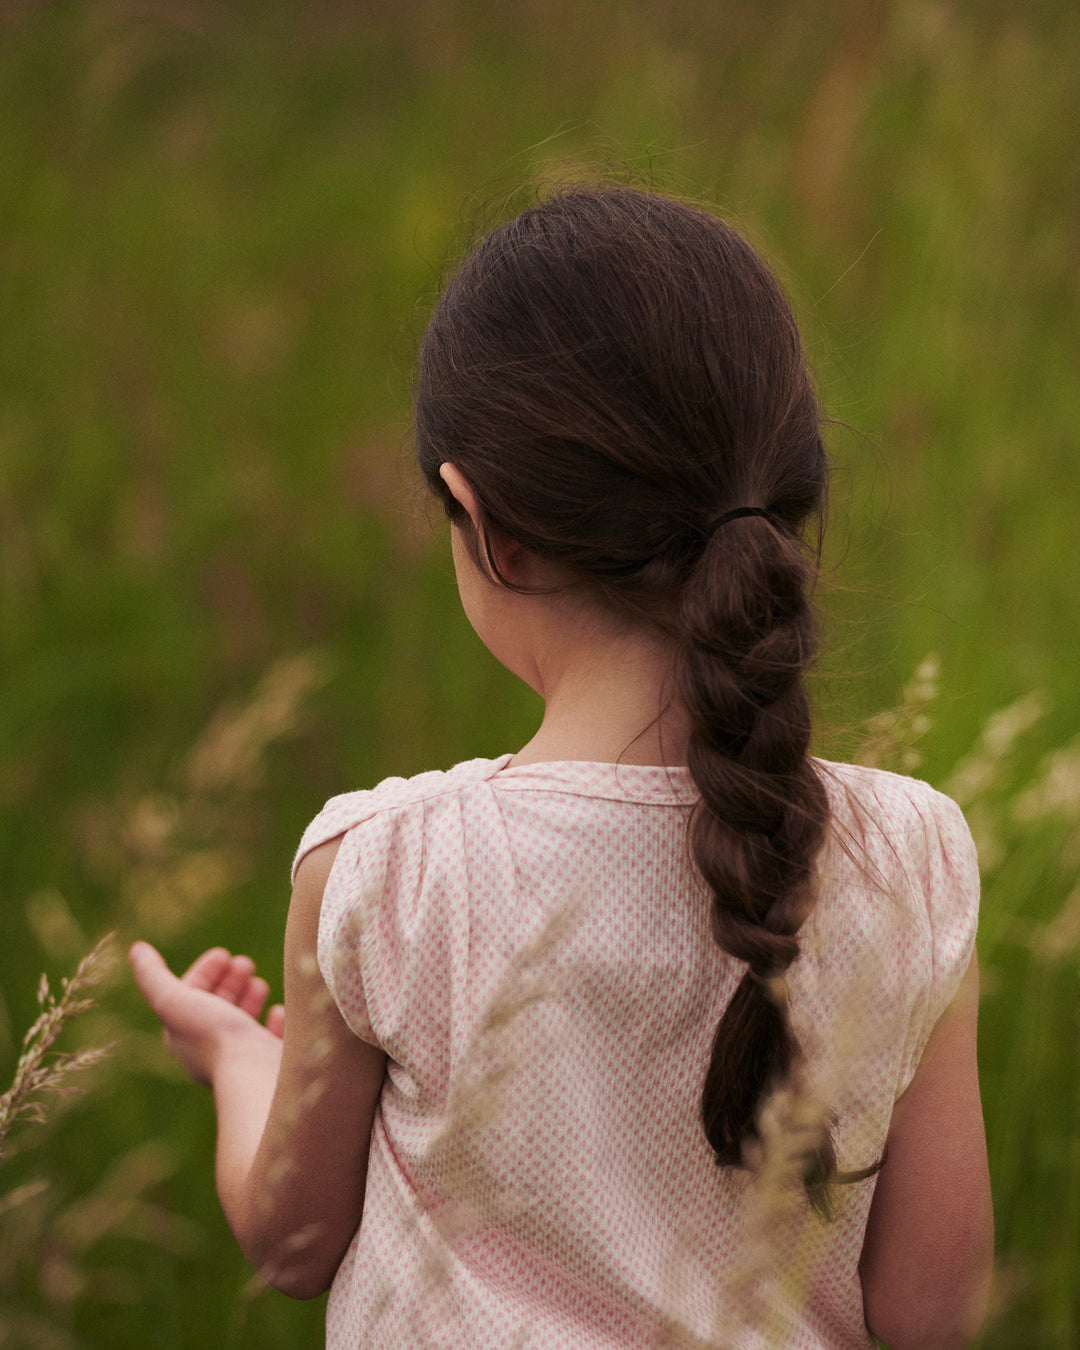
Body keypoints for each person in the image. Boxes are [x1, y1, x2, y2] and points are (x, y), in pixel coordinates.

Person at [130, 185, 993, 1349]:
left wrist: (240, 1060)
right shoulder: (916, 860)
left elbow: (291, 1243)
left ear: (485, 522)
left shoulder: (385, 872)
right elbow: (930, 1314)